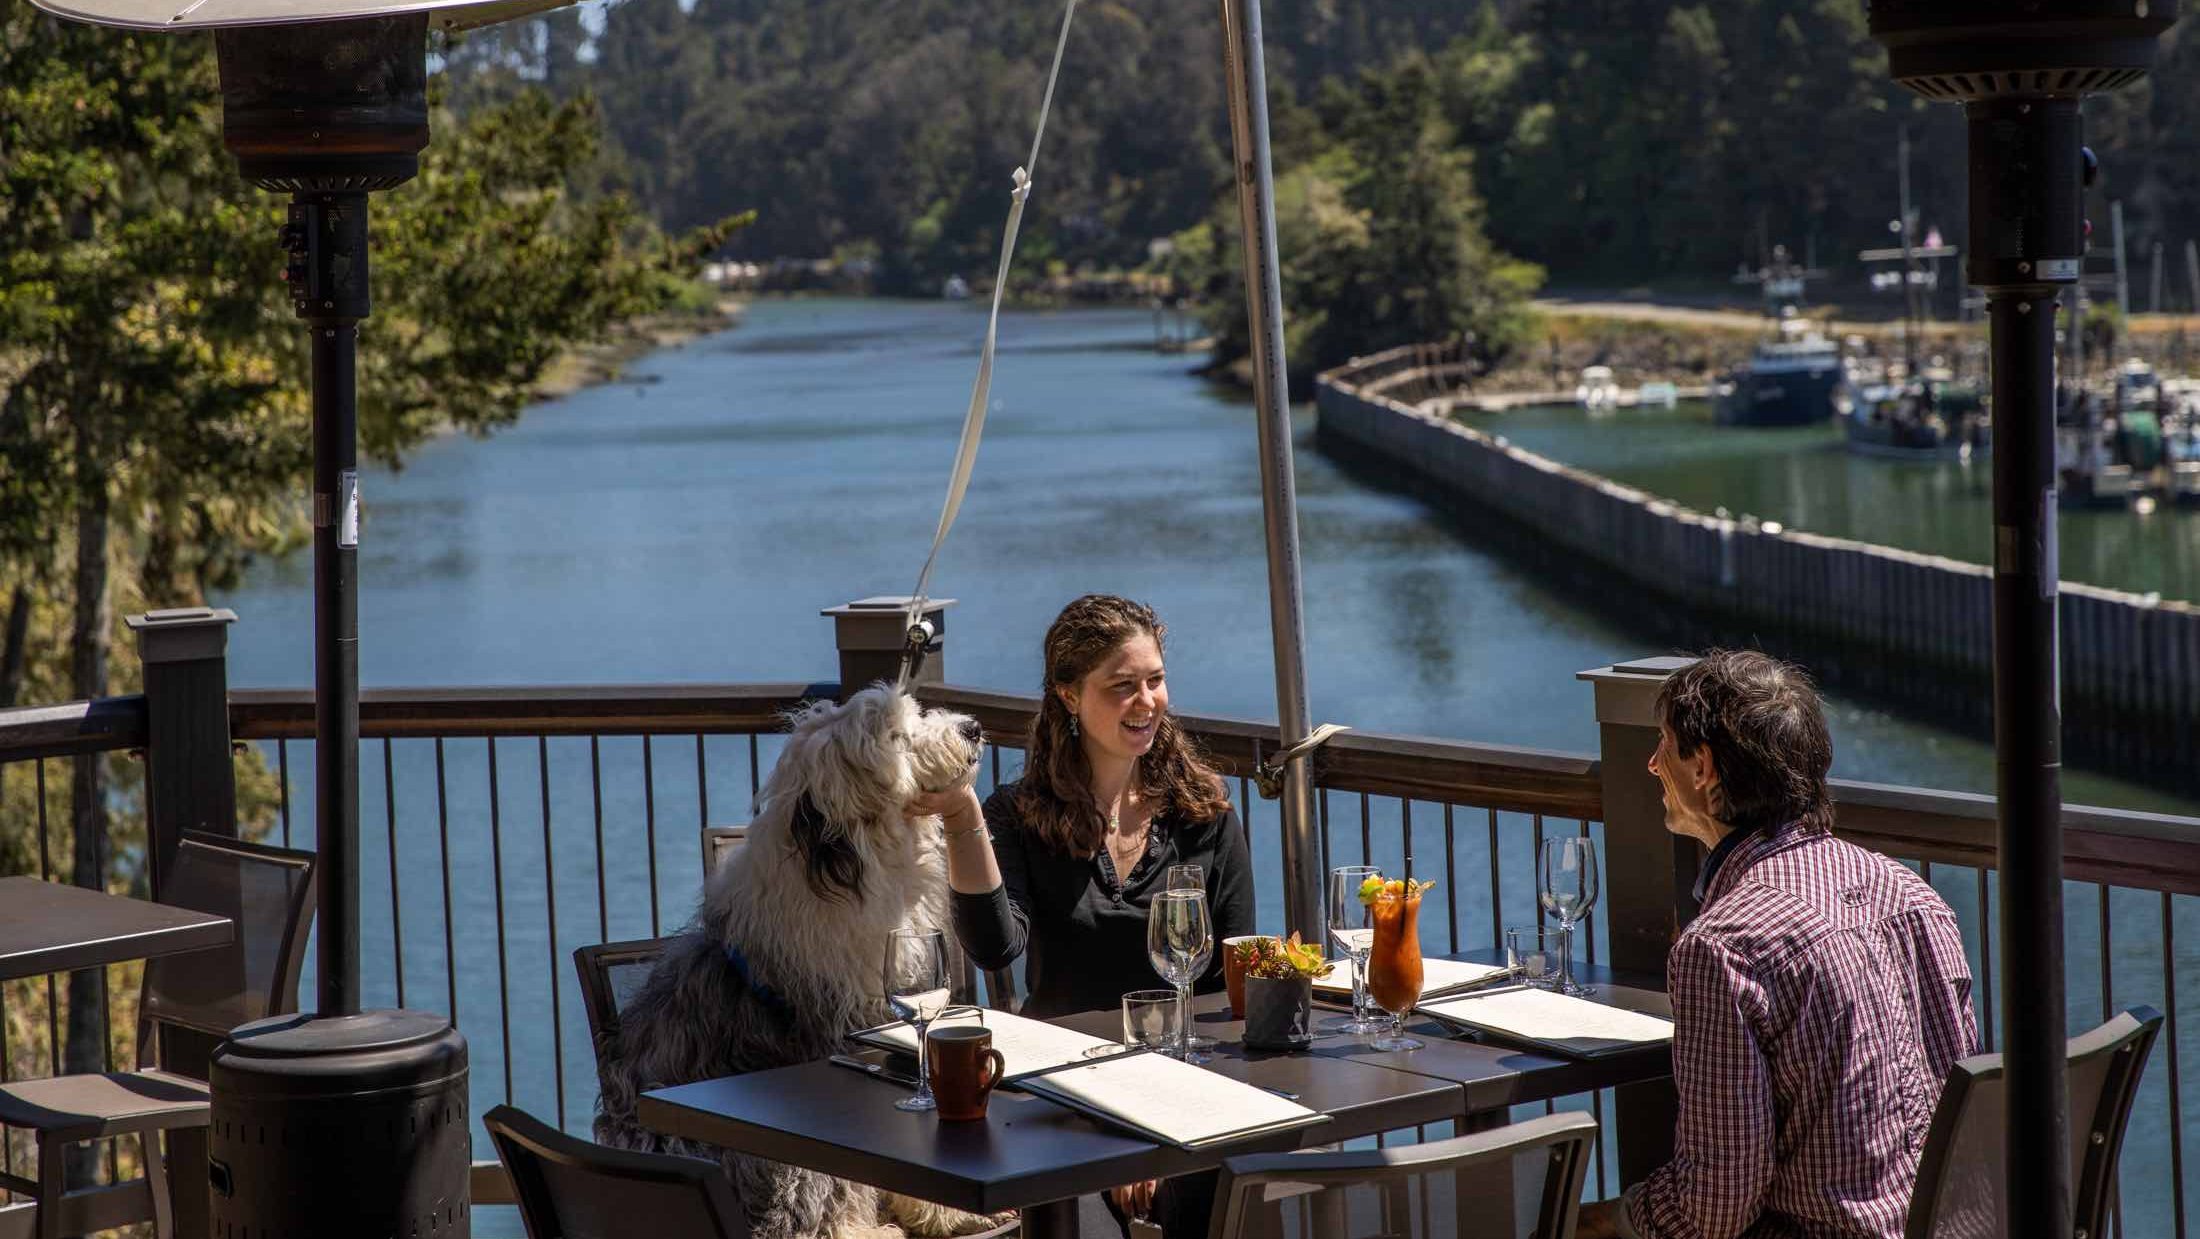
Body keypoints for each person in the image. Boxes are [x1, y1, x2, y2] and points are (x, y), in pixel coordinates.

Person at [1577, 650, 1978, 1239]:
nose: (1651, 763)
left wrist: (1612, 1218)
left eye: (1664, 744)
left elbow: (1714, 1207)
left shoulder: (1722, 947)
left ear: (1704, 768)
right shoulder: (1913, 895)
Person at [910, 593, 1254, 1235]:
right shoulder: (1017, 814)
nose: (1146, 701)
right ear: (1069, 696)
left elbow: (1233, 982)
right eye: (1122, 686)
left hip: (1187, 1084)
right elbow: (995, 947)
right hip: (1062, 1094)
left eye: (1155, 680)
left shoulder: (1203, 812)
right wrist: (962, 817)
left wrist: (1161, 1118)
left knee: (1227, 1182)